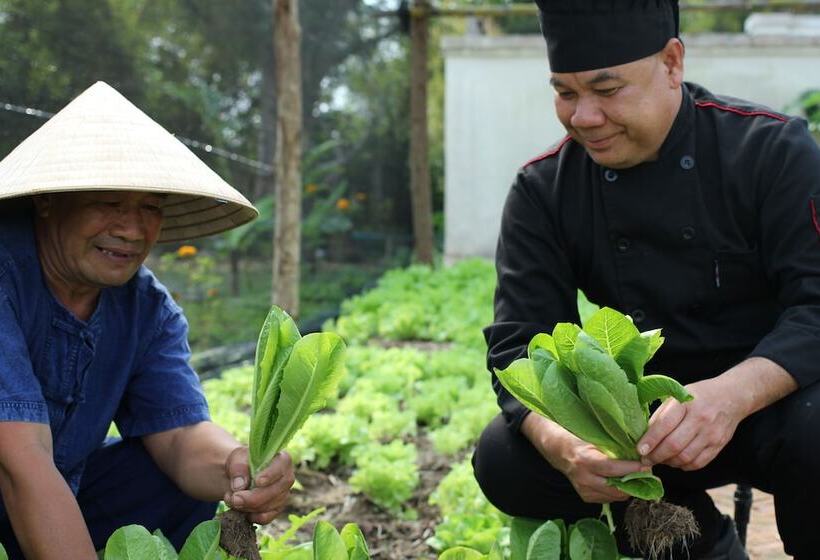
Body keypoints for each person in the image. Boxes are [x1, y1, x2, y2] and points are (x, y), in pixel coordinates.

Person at [473, 1, 820, 559]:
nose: (583, 116)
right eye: (565, 92)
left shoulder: (771, 152)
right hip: (637, 428)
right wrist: (568, 448)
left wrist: (729, 398)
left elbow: (816, 305)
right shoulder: (544, 191)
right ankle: (697, 543)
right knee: (505, 459)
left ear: (672, 62)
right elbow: (519, 348)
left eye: (607, 91)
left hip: (768, 407)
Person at [0, 81, 294, 559]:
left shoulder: (146, 307)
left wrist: (237, 467)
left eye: (150, 207)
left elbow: (178, 435)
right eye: (110, 202)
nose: (133, 229)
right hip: (17, 477)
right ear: (48, 200)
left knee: (177, 483)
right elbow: (19, 460)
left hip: (50, 498)